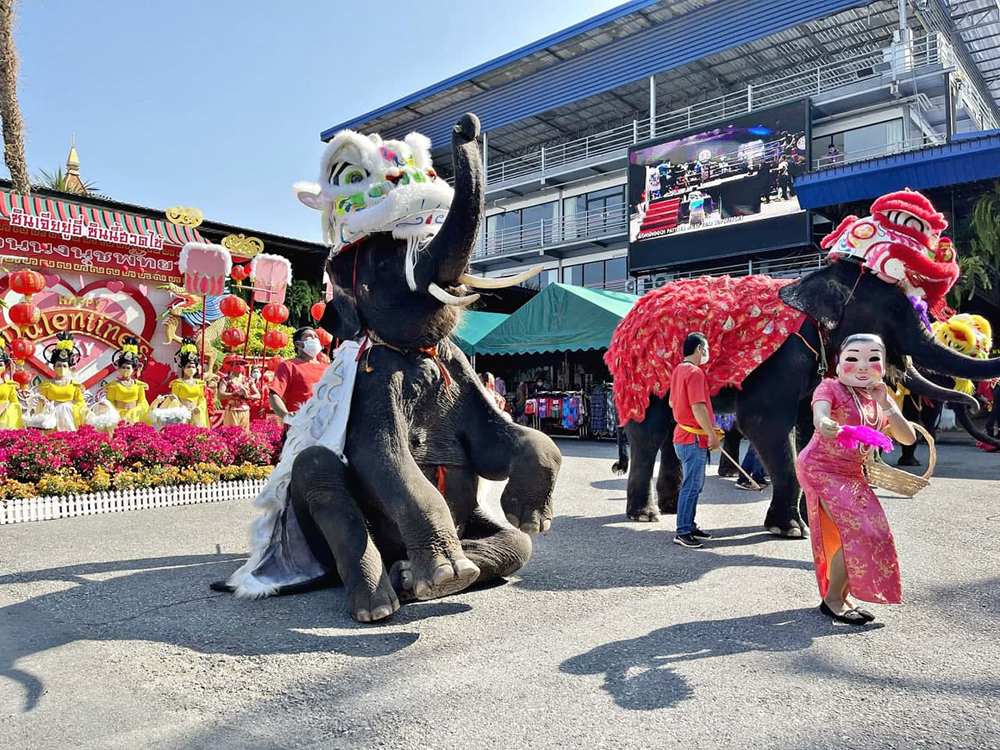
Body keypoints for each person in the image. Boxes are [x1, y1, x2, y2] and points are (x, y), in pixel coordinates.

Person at [796, 334, 916, 625]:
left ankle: (841, 593)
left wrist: (886, 402)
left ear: (883, 363)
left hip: (852, 474)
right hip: (820, 468)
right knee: (859, 532)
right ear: (839, 362)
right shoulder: (830, 387)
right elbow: (820, 414)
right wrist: (824, 422)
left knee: (874, 533)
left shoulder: (876, 396)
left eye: (873, 358)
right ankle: (833, 599)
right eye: (853, 358)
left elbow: (907, 437)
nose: (863, 366)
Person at [668, 332, 719, 549]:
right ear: (699, 349)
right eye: (705, 349)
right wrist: (712, 434)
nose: (707, 353)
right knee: (692, 485)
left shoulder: (679, 370)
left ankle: (689, 524)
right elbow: (698, 407)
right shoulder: (695, 373)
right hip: (693, 437)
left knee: (694, 484)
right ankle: (683, 530)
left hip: (683, 435)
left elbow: (672, 403)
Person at [269, 327, 329, 427]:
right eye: (309, 337)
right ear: (298, 344)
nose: (314, 339)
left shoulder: (328, 368)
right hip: (299, 428)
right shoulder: (288, 366)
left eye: (316, 337)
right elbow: (274, 395)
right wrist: (285, 415)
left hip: (325, 426)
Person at [37, 333, 86, 432]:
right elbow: (41, 404)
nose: (61, 368)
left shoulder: (74, 385)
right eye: (59, 366)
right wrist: (43, 403)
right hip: (52, 418)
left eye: (64, 366)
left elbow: (81, 403)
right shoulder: (47, 385)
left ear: (69, 368)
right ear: (54, 367)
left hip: (69, 418)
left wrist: (68, 408)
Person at [165, 339, 209, 427]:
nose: (191, 369)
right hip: (182, 415)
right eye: (188, 366)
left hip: (196, 415)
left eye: (193, 367)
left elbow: (201, 399)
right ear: (183, 368)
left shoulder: (200, 383)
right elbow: (174, 400)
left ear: (197, 368)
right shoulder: (177, 383)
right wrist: (182, 409)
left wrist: (199, 408)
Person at [106, 336, 149, 424]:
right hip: (119, 418)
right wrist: (115, 415)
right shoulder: (114, 385)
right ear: (119, 369)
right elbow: (110, 401)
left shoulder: (139, 385)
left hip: (134, 417)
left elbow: (142, 401)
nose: (126, 370)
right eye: (123, 367)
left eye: (128, 368)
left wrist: (134, 412)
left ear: (133, 369)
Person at [219, 357, 260, 433]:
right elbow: (220, 395)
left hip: (245, 409)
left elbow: (258, 395)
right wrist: (235, 394)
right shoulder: (226, 380)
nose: (240, 366)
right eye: (237, 364)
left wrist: (249, 397)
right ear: (231, 366)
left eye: (241, 364)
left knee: (244, 434)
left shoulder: (248, 380)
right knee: (231, 433)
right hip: (232, 409)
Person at [0, 336, 24, 429]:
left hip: (3, 419)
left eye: (0, 364)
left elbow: (15, 403)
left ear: (5, 367)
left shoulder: (9, 385)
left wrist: (6, 406)